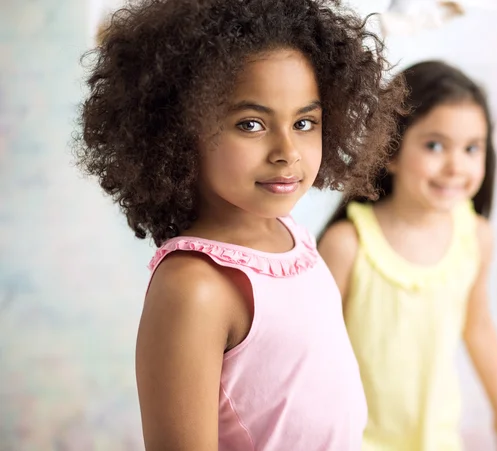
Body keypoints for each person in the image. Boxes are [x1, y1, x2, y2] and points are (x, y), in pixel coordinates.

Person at [73, 0, 402, 449]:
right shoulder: (194, 287)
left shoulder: (293, 238)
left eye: (305, 122)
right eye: (251, 124)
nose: (288, 150)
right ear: (177, 131)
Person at [318, 60, 497, 451]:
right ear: (389, 150)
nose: (455, 165)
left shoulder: (476, 237)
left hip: (439, 440)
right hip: (355, 441)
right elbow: (313, 353)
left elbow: (477, 328)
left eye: (471, 148)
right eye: (434, 145)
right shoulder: (348, 245)